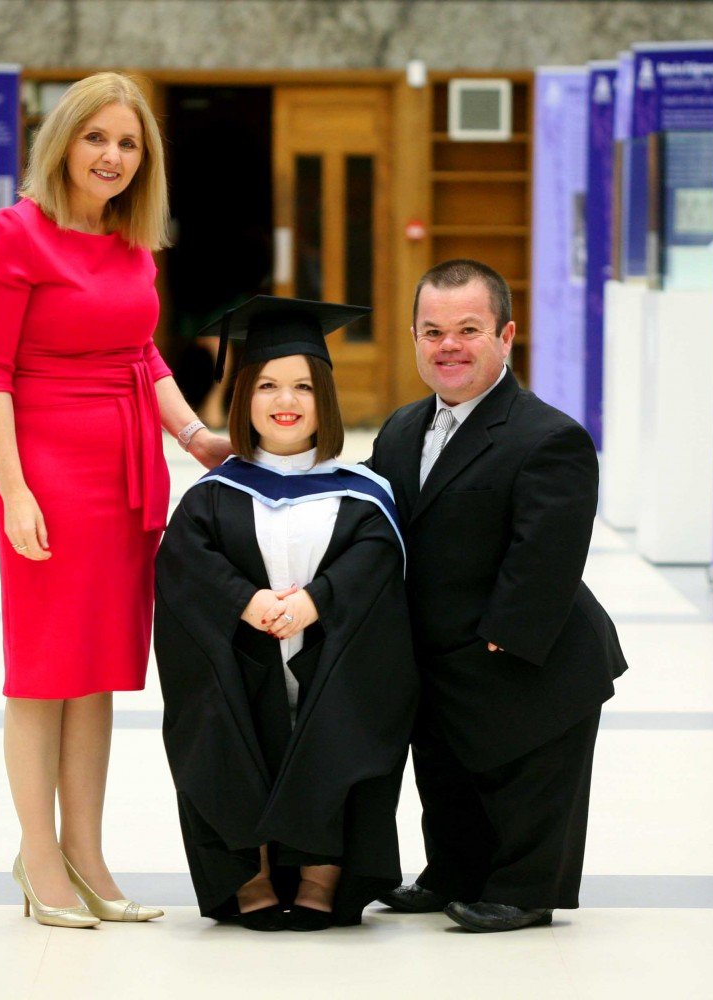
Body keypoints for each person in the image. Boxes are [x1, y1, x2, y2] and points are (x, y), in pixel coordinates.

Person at [0, 71, 231, 929]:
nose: (112, 156)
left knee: (96, 677)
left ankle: (84, 849)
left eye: (127, 144)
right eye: (97, 138)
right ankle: (35, 854)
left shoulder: (130, 243)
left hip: (123, 478)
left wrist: (194, 436)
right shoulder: (17, 233)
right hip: (46, 469)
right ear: (63, 141)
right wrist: (14, 490)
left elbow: (140, 356)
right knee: (43, 672)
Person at [370, 259, 628, 933]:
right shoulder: (400, 429)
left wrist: (503, 636)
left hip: (530, 648)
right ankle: (450, 874)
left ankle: (522, 890)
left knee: (527, 774)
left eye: (467, 329)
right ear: (414, 337)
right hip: (442, 644)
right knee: (448, 774)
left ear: (505, 335)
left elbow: (546, 550)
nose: (447, 345)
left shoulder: (547, 436)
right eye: (432, 331)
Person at [155, 296, 418, 932]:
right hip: (242, 660)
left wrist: (314, 601)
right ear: (242, 397)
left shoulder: (364, 490)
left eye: (303, 385)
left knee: (339, 729)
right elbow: (186, 566)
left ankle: (325, 870)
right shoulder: (212, 497)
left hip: (335, 658)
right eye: (268, 384)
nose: (287, 399)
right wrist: (244, 602)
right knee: (233, 726)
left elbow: (376, 562)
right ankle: (253, 873)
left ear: (324, 398)